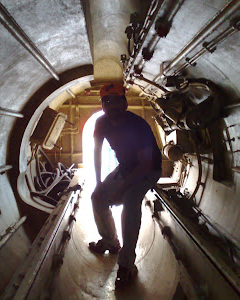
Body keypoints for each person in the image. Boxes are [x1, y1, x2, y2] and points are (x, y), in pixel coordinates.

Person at [89, 83, 162, 287]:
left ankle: (127, 265)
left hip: (148, 171)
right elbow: (96, 152)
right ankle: (110, 240)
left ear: (125, 102)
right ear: (103, 105)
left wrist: (120, 190)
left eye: (116, 100)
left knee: (130, 201)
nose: (112, 105)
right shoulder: (101, 123)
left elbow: (145, 164)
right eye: (107, 101)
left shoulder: (138, 125)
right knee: (97, 197)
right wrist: (99, 184)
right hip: (126, 168)